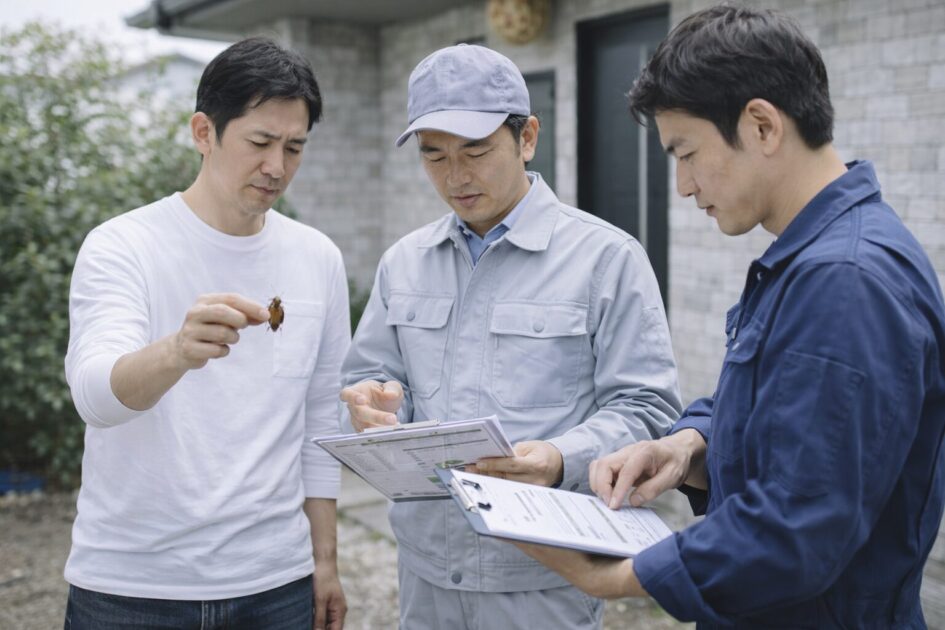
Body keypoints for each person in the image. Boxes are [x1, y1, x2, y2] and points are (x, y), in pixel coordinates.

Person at [511, 5, 945, 629]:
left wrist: (613, 577)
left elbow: (798, 526)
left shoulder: (846, 281)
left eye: (685, 153)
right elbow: (784, 418)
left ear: (762, 125)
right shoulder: (808, 259)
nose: (683, 186)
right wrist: (687, 446)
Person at [339, 43, 682, 629]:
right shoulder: (405, 261)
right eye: (434, 156)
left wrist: (558, 457)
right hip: (425, 575)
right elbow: (371, 373)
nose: (456, 176)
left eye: (475, 150)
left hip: (543, 580)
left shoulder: (606, 259)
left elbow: (647, 408)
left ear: (527, 138)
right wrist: (372, 400)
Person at [64, 37, 348, 630]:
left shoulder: (316, 257)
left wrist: (325, 561)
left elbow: (320, 421)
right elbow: (94, 398)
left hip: (277, 583)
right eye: (260, 142)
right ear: (204, 132)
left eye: (294, 147)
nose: (277, 166)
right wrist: (175, 352)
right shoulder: (123, 245)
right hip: (132, 586)